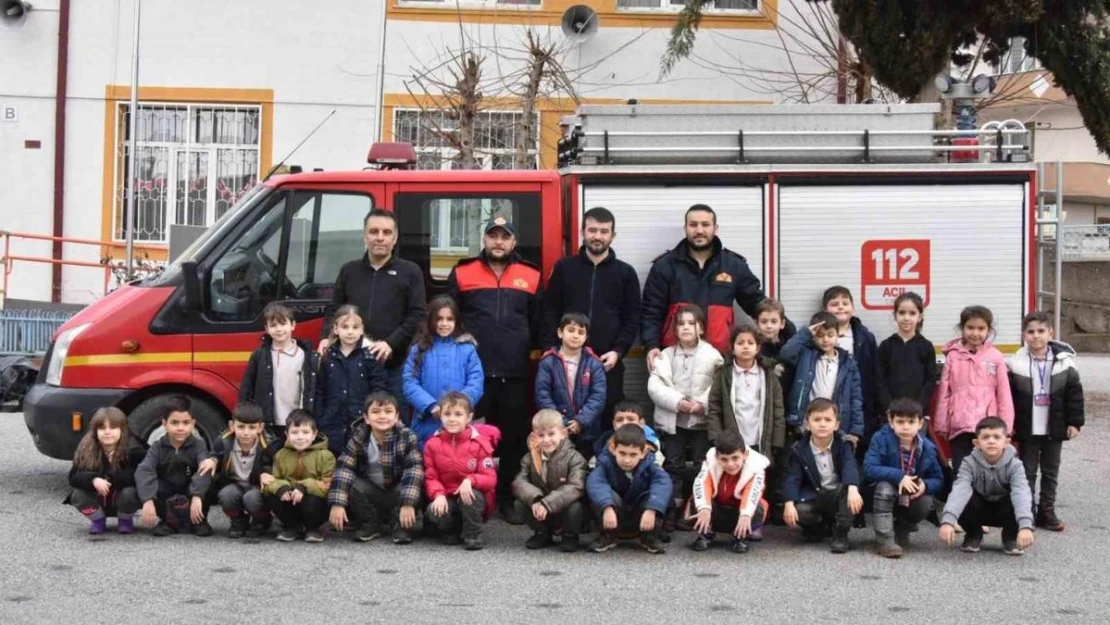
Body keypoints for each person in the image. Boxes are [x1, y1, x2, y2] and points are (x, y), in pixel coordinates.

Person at [446, 216, 542, 524]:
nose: (498, 241)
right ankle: (468, 495)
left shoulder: (531, 275)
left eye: (504, 236)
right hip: (474, 375)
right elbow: (449, 318)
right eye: (493, 236)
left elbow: (540, 320)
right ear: (484, 240)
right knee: (468, 438)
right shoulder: (463, 272)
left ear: (513, 242)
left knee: (513, 439)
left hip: (515, 373)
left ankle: (505, 498)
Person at [319, 208, 427, 418]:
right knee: (355, 421)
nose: (380, 237)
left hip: (396, 365)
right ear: (364, 236)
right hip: (353, 364)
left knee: (395, 424)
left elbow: (417, 314)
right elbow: (335, 309)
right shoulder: (349, 271)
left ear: (395, 238)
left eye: (387, 233)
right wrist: (326, 336)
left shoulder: (410, 271)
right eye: (374, 231)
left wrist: (390, 343)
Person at [541, 206, 641, 430]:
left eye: (604, 231)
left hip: (608, 363)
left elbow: (632, 318)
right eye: (592, 230)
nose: (598, 236)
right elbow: (549, 311)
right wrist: (551, 349)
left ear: (612, 235)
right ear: (582, 232)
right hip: (566, 361)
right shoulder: (565, 268)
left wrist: (618, 351)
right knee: (565, 421)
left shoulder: (625, 273)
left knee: (607, 421)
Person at [642, 204, 772, 360]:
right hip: (675, 358)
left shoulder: (733, 265)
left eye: (705, 225)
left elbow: (758, 304)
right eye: (693, 225)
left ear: (715, 228)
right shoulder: (665, 266)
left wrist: (788, 331)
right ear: (685, 228)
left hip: (721, 359)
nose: (699, 230)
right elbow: (651, 313)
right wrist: (651, 346)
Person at [647, 304, 724, 531]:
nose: (686, 327)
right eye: (681, 323)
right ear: (674, 328)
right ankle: (669, 510)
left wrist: (702, 404)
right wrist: (678, 402)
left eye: (692, 323)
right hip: (674, 422)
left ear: (701, 327)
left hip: (701, 422)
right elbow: (655, 386)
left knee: (702, 467)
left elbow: (719, 385)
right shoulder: (666, 355)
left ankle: (694, 509)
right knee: (673, 466)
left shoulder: (712, 355)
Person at [1007, 311, 1084, 532]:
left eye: (1041, 331)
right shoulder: (1015, 363)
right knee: (1027, 471)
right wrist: (1010, 425)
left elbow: (1075, 395)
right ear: (1024, 335)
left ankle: (1047, 512)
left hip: (1055, 426)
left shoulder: (1065, 362)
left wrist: (1075, 422)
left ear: (1050, 332)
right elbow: (1009, 398)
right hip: (1027, 427)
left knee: (1051, 471)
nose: (1036, 336)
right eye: (1030, 332)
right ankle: (1027, 512)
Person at [707, 323, 785, 538]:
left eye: (750, 343)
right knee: (734, 479)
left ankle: (754, 522)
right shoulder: (724, 374)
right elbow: (714, 406)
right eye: (740, 343)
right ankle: (732, 518)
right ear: (732, 348)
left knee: (757, 480)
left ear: (758, 347)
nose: (745, 347)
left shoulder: (767, 374)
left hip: (760, 438)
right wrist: (716, 437)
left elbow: (778, 408)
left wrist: (776, 440)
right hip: (734, 439)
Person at [328, 391, 424, 545]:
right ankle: (370, 522)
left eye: (388, 411)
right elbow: (344, 467)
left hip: (397, 492)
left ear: (397, 416)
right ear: (366, 418)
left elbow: (414, 469)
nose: (382, 416)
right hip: (372, 492)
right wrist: (337, 503)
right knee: (349, 480)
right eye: (375, 412)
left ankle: (399, 523)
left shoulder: (407, 436)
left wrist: (408, 503)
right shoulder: (359, 436)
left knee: (416, 478)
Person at [939, 417, 1036, 555]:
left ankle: (1010, 536)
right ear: (976, 443)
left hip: (1005, 510)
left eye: (997, 437)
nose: (991, 441)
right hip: (980, 509)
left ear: (1007, 442)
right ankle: (973, 534)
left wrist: (1026, 526)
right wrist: (948, 521)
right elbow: (960, 490)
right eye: (985, 437)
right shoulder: (968, 463)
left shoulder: (1016, 465)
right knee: (963, 496)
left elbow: (1021, 493)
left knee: (1026, 496)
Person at [934, 305, 1014, 473]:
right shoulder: (953, 356)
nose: (975, 333)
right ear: (962, 328)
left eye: (981, 328)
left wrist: (1006, 425)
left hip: (988, 425)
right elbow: (944, 392)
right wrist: (942, 424)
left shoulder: (995, 357)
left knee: (986, 470)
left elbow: (1004, 394)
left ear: (988, 330)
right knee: (961, 469)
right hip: (959, 424)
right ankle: (961, 499)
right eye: (970, 327)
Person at [863, 398, 945, 558]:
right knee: (885, 488)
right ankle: (885, 541)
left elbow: (938, 479)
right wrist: (899, 476)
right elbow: (869, 468)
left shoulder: (927, 448)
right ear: (891, 421)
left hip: (910, 492)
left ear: (920, 423)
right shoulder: (880, 438)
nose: (906, 427)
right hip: (881, 489)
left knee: (926, 502)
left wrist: (925, 485)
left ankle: (902, 528)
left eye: (911, 422)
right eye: (900, 421)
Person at [782, 399, 864, 553]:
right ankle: (819, 527)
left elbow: (850, 466)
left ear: (836, 424)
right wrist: (788, 503)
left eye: (828, 420)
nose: (822, 424)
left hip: (837, 494)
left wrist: (853, 487)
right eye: (817, 419)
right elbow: (793, 478)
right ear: (807, 424)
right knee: (801, 511)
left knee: (847, 489)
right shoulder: (799, 449)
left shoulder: (844, 444)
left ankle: (841, 533)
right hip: (815, 496)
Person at [402, 295, 484, 450]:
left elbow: (476, 381)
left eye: (450, 319)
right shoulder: (419, 348)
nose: (444, 324)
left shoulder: (467, 349)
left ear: (457, 321)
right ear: (431, 320)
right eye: (439, 319)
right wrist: (430, 405)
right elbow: (409, 382)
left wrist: (459, 406)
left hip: (458, 422)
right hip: (426, 422)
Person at [423, 392, 499, 550]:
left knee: (471, 496)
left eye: (458, 414)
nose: (452, 419)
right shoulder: (432, 444)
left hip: (472, 498)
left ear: (469, 417)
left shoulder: (480, 444)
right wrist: (438, 495)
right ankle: (451, 530)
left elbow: (490, 478)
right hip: (448, 496)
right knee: (433, 510)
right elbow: (431, 477)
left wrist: (470, 480)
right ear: (440, 416)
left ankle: (473, 533)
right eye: (447, 414)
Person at [198, 402, 281, 539]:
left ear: (260, 428)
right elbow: (216, 454)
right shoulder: (224, 441)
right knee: (226, 495)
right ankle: (238, 521)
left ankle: (261, 520)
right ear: (232, 426)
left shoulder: (268, 444)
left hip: (256, 485)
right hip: (234, 483)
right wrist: (212, 460)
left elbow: (272, 464)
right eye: (241, 427)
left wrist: (266, 473)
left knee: (252, 498)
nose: (246, 432)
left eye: (252, 427)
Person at [314, 304, 389, 456]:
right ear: (336, 329)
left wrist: (372, 415)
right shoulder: (326, 357)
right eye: (345, 327)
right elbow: (319, 390)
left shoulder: (370, 356)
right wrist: (320, 417)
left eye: (355, 327)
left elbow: (379, 389)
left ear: (362, 329)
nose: (350, 332)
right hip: (331, 423)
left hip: (361, 422)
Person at [587, 424, 673, 554]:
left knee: (657, 495)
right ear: (613, 448)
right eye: (622, 453)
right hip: (614, 514)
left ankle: (648, 536)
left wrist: (652, 509)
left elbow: (663, 483)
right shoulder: (605, 462)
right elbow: (595, 483)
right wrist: (607, 506)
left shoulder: (650, 463)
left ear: (643, 452)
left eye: (633, 455)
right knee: (601, 495)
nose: (627, 460)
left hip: (641, 515)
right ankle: (608, 535)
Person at [135, 395, 214, 537]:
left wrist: (197, 495)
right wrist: (147, 500)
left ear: (193, 423)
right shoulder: (157, 447)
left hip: (190, 489)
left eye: (186, 423)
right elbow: (144, 470)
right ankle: (168, 521)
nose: (180, 428)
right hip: (168, 491)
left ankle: (199, 521)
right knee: (154, 483)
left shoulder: (199, 445)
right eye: (174, 423)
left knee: (208, 473)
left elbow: (204, 466)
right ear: (164, 424)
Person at [511, 409, 589, 552]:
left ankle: (570, 535)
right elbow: (519, 482)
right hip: (541, 508)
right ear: (534, 437)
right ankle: (542, 533)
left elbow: (576, 486)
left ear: (563, 433)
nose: (546, 440)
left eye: (551, 434)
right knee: (520, 503)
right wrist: (535, 499)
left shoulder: (575, 458)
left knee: (575, 506)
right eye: (541, 435)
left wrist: (547, 504)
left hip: (564, 509)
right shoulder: (529, 458)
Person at [780, 313, 864, 443]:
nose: (825, 339)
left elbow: (856, 398)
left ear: (838, 335)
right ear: (813, 337)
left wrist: (855, 431)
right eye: (820, 335)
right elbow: (786, 354)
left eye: (830, 335)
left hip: (836, 426)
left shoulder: (848, 363)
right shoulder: (806, 356)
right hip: (806, 424)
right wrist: (806, 333)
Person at [535, 312, 607, 457]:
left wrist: (581, 421)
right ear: (560, 332)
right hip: (556, 431)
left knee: (583, 469)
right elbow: (542, 395)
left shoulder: (594, 363)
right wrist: (562, 422)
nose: (575, 335)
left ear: (586, 338)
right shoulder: (548, 362)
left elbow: (598, 396)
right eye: (571, 330)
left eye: (581, 332)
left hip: (587, 431)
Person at [688, 430, 770, 554]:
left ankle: (739, 536)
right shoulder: (710, 462)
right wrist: (704, 508)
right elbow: (702, 484)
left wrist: (746, 515)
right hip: (718, 508)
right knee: (696, 499)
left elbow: (752, 493)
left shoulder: (756, 467)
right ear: (717, 457)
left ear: (745, 454)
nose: (730, 464)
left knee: (757, 507)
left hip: (738, 512)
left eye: (735, 458)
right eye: (724, 459)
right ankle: (707, 533)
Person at [64, 407, 144, 535]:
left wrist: (114, 477)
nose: (107, 432)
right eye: (102, 428)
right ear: (94, 431)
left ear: (122, 430)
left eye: (113, 427)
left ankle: (125, 520)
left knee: (131, 493)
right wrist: (93, 479)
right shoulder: (86, 449)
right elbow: (73, 477)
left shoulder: (135, 449)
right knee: (78, 495)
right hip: (98, 498)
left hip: (122, 498)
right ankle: (98, 520)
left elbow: (141, 475)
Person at [240, 302, 319, 430]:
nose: (279, 329)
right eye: (273, 325)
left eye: (283, 324)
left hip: (296, 423)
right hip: (267, 422)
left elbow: (311, 390)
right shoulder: (259, 355)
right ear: (266, 329)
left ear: (293, 325)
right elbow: (247, 388)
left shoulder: (305, 356)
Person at [262, 410, 336, 543]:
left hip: (314, 503)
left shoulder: (326, 455)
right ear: (287, 435)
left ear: (314, 434)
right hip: (292, 500)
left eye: (305, 432)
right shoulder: (280, 455)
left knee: (312, 499)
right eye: (294, 432)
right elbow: (272, 480)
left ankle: (313, 529)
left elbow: (328, 485)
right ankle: (292, 527)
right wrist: (281, 488)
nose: (300, 437)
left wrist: (303, 487)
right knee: (273, 495)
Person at [823, 286, 880, 437]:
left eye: (845, 303)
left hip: (856, 403)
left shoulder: (865, 337)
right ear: (825, 310)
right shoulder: (819, 337)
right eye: (834, 304)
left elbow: (875, 373)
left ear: (853, 308)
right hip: (827, 401)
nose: (840, 307)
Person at [876, 292, 938, 417]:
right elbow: (879, 380)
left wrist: (919, 406)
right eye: (902, 312)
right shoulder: (886, 346)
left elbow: (930, 381)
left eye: (912, 313)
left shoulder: (926, 346)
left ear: (920, 317)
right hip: (891, 413)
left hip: (917, 413)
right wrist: (889, 407)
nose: (906, 318)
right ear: (895, 315)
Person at [592, 400, 664, 468]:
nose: (625, 423)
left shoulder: (652, 442)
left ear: (641, 423)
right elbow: (597, 464)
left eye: (631, 419)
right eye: (619, 420)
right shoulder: (604, 441)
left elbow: (656, 467)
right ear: (614, 424)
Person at [755, 298, 797, 396]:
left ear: (782, 324)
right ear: (757, 324)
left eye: (774, 322)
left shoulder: (789, 347)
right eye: (764, 322)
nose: (769, 326)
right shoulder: (754, 349)